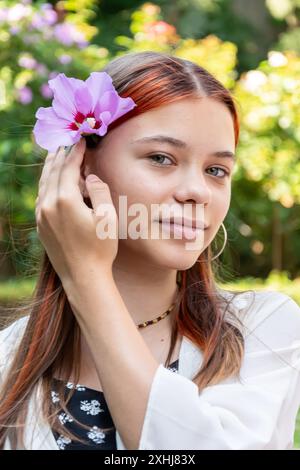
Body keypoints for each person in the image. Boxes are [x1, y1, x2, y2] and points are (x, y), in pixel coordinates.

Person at [0, 51, 300, 450]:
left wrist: (87, 278)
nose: (196, 191)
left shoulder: (262, 331)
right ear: (81, 171)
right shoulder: (7, 358)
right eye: (161, 158)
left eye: (216, 170)